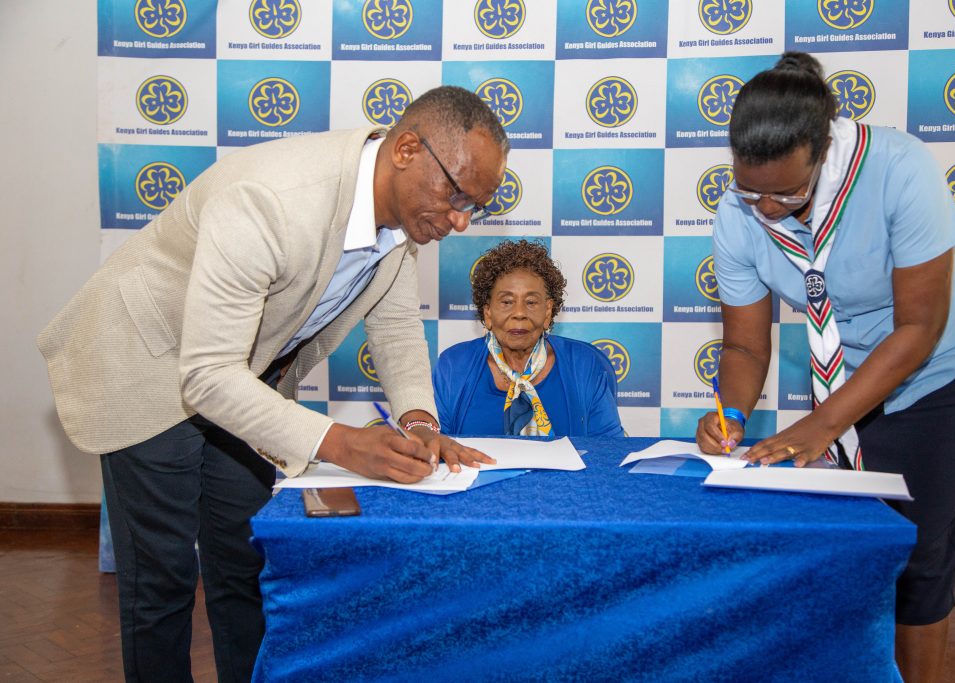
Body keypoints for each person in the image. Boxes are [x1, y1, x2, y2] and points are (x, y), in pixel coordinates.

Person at [37, 85, 506, 683]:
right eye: (457, 193)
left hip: (237, 376)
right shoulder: (272, 199)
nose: (461, 220)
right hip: (145, 362)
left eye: (477, 206)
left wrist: (418, 420)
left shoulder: (399, 221)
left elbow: (394, 328)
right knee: (163, 578)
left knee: (247, 564)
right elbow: (206, 374)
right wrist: (341, 442)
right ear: (407, 149)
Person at [695, 53, 955, 683]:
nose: (766, 208)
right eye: (750, 189)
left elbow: (919, 327)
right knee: (846, 538)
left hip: (944, 364)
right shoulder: (737, 212)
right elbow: (746, 349)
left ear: (822, 150)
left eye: (786, 192)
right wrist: (730, 414)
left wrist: (819, 427)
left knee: (917, 549)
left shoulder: (898, 168)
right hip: (845, 374)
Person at [433, 239, 625, 437]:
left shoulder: (585, 364)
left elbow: (608, 451)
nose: (519, 313)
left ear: (548, 311)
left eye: (531, 302)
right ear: (488, 313)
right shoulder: (454, 366)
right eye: (507, 301)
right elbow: (438, 449)